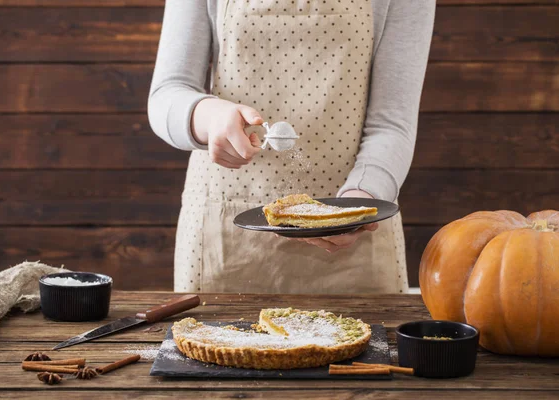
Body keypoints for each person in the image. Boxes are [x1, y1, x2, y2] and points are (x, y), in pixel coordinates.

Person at [148, 0, 435, 294]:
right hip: (223, 236)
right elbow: (167, 94)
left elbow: (391, 124)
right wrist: (209, 116)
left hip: (353, 242)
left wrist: (353, 208)